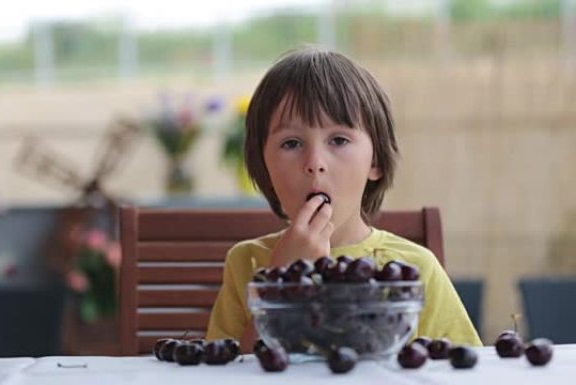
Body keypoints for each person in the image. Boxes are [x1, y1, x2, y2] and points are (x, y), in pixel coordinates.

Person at [206, 47, 482, 348]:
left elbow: (465, 369)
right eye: (292, 143)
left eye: (338, 140)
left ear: (375, 162)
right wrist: (280, 283)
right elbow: (228, 372)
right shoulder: (246, 263)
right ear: (264, 165)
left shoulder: (415, 268)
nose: (315, 162)